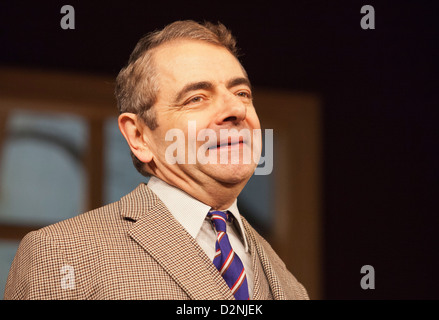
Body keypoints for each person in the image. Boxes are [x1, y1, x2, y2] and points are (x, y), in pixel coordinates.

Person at [4, 20, 308, 300]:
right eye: (196, 98)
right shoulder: (59, 255)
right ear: (139, 136)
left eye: (242, 93)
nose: (236, 109)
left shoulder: (289, 284)